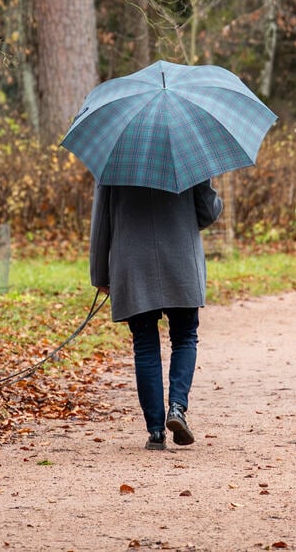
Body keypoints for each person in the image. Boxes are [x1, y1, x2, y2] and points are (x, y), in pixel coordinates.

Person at [90, 180, 223, 451]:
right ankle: (177, 408)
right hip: (181, 260)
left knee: (145, 345)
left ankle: (156, 432)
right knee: (185, 337)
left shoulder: (116, 156)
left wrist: (100, 273)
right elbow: (208, 213)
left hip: (133, 262)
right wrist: (209, 185)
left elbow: (101, 221)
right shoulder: (188, 152)